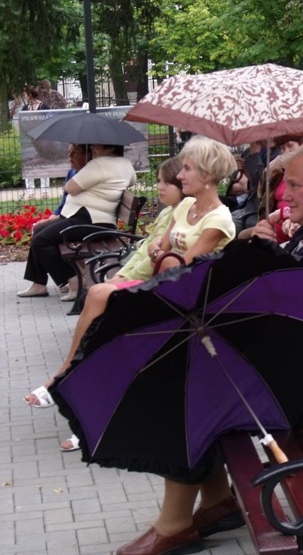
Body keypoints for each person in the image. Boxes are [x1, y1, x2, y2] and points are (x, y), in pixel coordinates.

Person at [114, 142, 303, 555]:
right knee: (188, 369)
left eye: (295, 185)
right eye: (286, 185)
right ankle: (217, 501)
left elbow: (298, 333)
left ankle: (174, 525)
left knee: (187, 393)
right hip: (295, 368)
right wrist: (256, 244)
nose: (285, 194)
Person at [22, 139, 234, 412]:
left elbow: (184, 268)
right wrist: (161, 253)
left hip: (185, 300)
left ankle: (76, 387)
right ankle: (67, 375)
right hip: (160, 284)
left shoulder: (218, 219)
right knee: (97, 294)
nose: (180, 175)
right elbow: (159, 247)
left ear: (206, 175)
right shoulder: (185, 207)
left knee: (106, 307)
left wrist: (162, 253)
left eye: (187, 169)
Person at [17, 143, 137, 300]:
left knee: (41, 241)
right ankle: (38, 285)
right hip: (97, 220)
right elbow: (132, 181)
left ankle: (75, 281)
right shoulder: (125, 164)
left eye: (97, 146)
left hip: (89, 220)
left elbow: (70, 188)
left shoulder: (99, 164)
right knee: (39, 231)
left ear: (111, 148)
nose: (93, 149)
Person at [30, 144, 89, 234]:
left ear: (86, 155)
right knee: (38, 228)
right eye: (69, 152)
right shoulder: (71, 172)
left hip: (78, 220)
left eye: (75, 153)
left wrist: (50, 221)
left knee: (40, 235)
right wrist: (51, 218)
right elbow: (63, 202)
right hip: (67, 217)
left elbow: (75, 209)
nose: (70, 156)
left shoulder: (88, 175)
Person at [21, 85, 51, 198]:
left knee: (43, 163)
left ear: (29, 94)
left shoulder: (44, 107)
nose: (24, 96)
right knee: (28, 163)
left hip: (42, 139)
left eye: (25, 93)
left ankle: (44, 191)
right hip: (29, 140)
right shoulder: (25, 109)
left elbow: (48, 121)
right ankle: (31, 192)